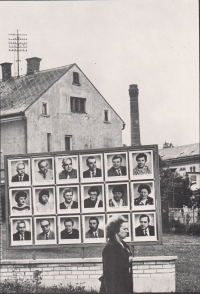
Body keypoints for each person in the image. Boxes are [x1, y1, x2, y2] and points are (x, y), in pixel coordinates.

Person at [100, 215, 133, 294]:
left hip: (124, 286)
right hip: (114, 288)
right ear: (115, 230)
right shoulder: (110, 247)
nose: (127, 231)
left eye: (127, 229)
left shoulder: (124, 245)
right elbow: (109, 273)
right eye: (124, 229)